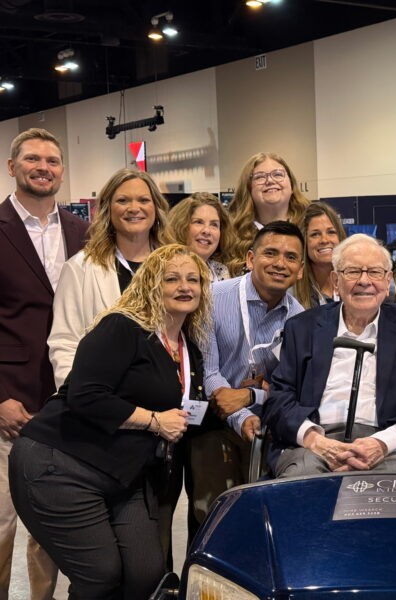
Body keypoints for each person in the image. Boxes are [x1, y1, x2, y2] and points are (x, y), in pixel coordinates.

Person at [9, 244, 210, 599]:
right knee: (100, 575)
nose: (184, 286)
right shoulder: (121, 327)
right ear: (151, 285)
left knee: (147, 574)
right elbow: (85, 396)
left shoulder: (188, 347)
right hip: (62, 464)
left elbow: (187, 410)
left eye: (193, 279)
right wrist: (154, 421)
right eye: (172, 279)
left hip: (124, 477)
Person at [264, 234, 396, 477]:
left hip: (386, 446)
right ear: (336, 280)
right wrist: (314, 439)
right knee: (303, 483)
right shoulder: (302, 327)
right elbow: (279, 398)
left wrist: (382, 443)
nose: (364, 281)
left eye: (374, 272)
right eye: (352, 272)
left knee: (394, 485)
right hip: (313, 443)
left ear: (388, 280)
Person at [0, 128, 88, 600]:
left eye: (52, 161)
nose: (43, 168)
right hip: (9, 404)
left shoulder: (83, 233)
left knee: (50, 527)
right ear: (12, 167)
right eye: (33, 159)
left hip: (65, 404)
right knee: (1, 527)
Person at [191, 221, 304, 526]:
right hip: (215, 420)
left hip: (268, 424)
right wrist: (241, 416)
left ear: (300, 270)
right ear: (251, 258)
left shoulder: (300, 319)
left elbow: (292, 391)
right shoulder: (212, 298)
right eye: (271, 253)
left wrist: (251, 396)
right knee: (215, 516)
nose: (280, 263)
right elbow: (208, 372)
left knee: (267, 517)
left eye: (291, 257)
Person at [48, 168, 171, 388]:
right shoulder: (80, 268)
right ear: (107, 209)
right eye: (123, 200)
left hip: (166, 393)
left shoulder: (174, 264)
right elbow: (65, 343)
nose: (134, 208)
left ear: (156, 207)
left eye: (143, 200)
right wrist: (79, 395)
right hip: (106, 396)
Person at [226, 152, 309, 276]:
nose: (270, 180)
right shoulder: (230, 236)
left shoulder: (310, 228)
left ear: (292, 185)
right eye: (260, 177)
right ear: (248, 189)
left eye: (278, 174)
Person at [167, 192, 234, 281]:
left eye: (214, 224)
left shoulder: (222, 272)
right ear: (181, 226)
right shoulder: (165, 269)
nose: (207, 231)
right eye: (198, 222)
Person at [295, 201, 346, 309]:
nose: (324, 240)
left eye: (331, 232)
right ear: (304, 242)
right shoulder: (292, 295)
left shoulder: (355, 285)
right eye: (315, 234)